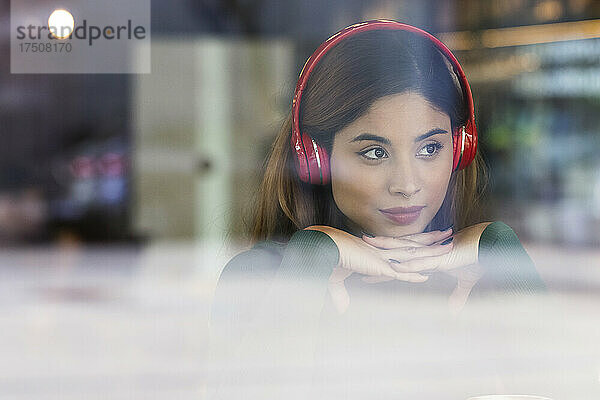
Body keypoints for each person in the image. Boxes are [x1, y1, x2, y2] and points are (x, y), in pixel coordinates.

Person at [208, 20, 547, 399]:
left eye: (430, 148)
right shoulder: (260, 276)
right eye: (374, 152)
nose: (406, 184)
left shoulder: (483, 271)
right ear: (316, 158)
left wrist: (497, 248)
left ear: (460, 148)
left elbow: (565, 383)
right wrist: (315, 253)